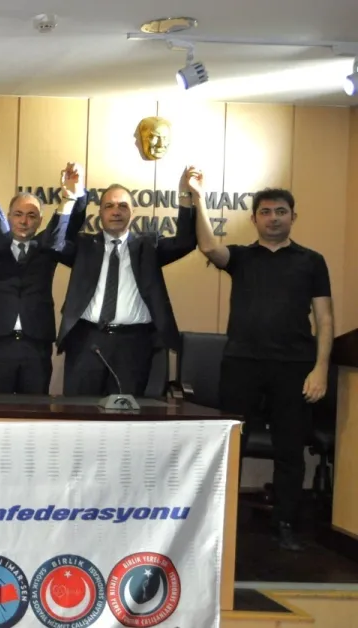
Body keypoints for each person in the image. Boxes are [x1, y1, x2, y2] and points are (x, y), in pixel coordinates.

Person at [191, 167, 332, 551]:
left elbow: (324, 319)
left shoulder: (311, 261)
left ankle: (284, 523)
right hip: (242, 364)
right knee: (231, 446)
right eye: (266, 212)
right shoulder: (241, 257)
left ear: (293, 216)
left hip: (294, 368)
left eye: (281, 211)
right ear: (254, 219)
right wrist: (199, 198)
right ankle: (221, 524)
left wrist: (320, 368)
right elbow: (208, 247)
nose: (273, 218)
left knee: (290, 449)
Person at [51, 175, 196, 398]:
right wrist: (69, 198)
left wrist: (186, 195)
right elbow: (53, 244)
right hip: (86, 341)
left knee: (126, 413)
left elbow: (185, 242)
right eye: (109, 206)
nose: (116, 211)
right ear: (100, 213)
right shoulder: (85, 246)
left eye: (123, 206)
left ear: (133, 212)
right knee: (79, 410)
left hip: (133, 345)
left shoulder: (148, 246)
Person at [0, 166, 87, 394]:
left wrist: (74, 194)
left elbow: (72, 224)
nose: (24, 221)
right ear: (8, 216)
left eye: (31, 216)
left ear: (40, 221)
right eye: (18, 214)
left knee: (36, 409)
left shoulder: (48, 244)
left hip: (36, 343)